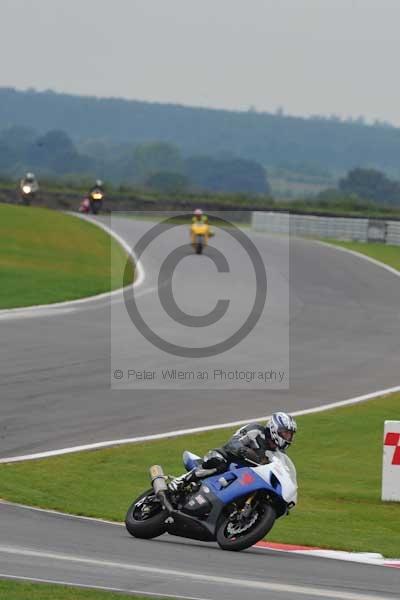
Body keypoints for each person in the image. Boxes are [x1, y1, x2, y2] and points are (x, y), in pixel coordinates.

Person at [169, 412, 297, 492]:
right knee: (218, 463)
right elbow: (233, 442)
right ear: (275, 429)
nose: (288, 438)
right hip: (227, 458)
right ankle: (181, 481)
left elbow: (281, 471)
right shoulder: (255, 430)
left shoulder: (279, 454)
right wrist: (243, 450)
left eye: (290, 435)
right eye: (285, 433)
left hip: (244, 475)